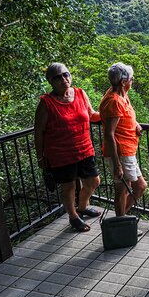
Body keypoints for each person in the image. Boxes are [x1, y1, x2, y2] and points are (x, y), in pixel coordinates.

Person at [34, 62, 101, 232]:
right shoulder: (46, 103)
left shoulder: (80, 93)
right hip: (60, 153)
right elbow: (38, 132)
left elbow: (92, 114)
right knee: (68, 187)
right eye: (58, 77)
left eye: (66, 74)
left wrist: (116, 116)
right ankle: (73, 216)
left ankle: (82, 206)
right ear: (50, 82)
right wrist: (40, 157)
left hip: (84, 148)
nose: (64, 79)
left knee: (94, 181)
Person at [100, 62, 147, 217]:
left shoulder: (121, 94)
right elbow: (109, 133)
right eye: (131, 79)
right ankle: (121, 222)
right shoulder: (114, 100)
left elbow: (125, 116)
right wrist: (117, 165)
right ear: (123, 82)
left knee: (139, 186)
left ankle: (122, 221)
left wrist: (135, 124)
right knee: (123, 190)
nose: (132, 81)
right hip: (120, 153)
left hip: (128, 151)